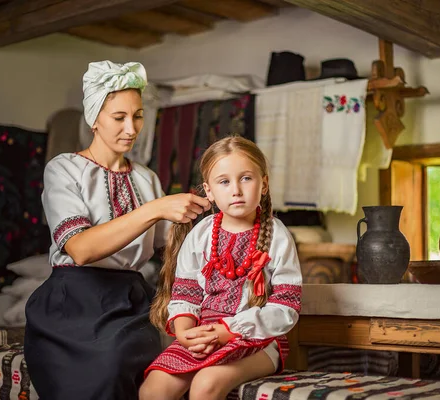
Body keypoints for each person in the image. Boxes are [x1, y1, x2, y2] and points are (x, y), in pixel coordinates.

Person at [24, 60, 212, 400]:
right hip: (73, 304)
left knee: (144, 367)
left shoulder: (146, 178)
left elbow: (168, 249)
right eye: (119, 117)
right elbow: (80, 248)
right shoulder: (64, 169)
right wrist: (156, 208)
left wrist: (205, 204)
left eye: (138, 116)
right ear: (94, 117)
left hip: (129, 303)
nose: (131, 128)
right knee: (105, 367)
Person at [140, 136, 303, 400]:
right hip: (205, 335)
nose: (236, 190)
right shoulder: (201, 234)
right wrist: (185, 333)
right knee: (153, 389)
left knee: (206, 384)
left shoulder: (277, 236)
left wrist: (229, 330)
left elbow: (286, 308)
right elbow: (186, 293)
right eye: (224, 182)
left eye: (246, 178)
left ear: (264, 184)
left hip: (257, 340)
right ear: (210, 191)